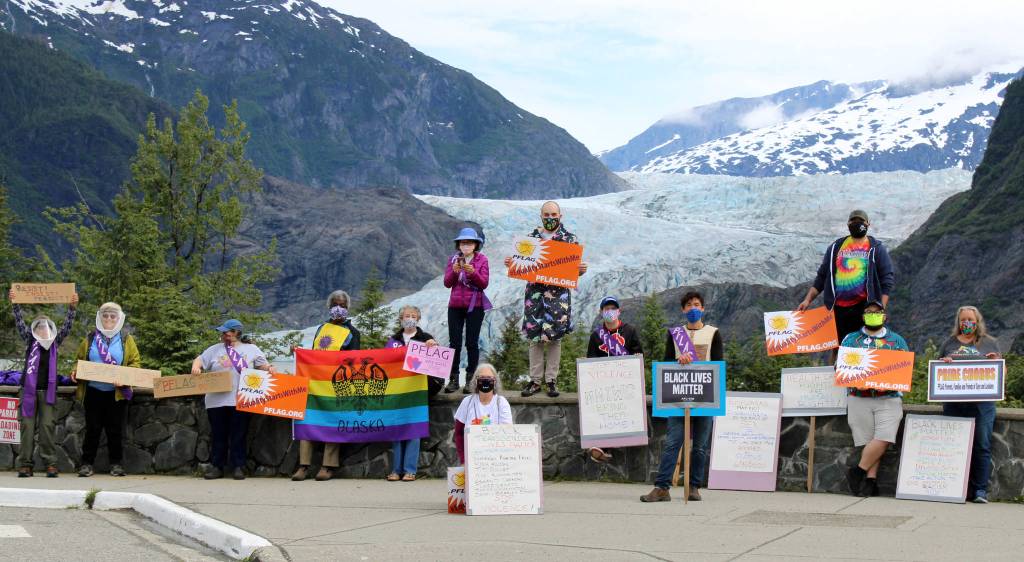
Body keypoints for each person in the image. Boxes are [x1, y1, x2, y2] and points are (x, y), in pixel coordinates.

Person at [642, 290, 724, 503]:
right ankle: (662, 487)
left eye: (696, 304)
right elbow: (666, 362)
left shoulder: (714, 333)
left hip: (705, 395)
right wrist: (678, 362)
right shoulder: (675, 334)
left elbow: (718, 364)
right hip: (677, 396)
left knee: (699, 446)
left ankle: (694, 487)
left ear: (703, 308)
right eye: (688, 305)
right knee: (672, 443)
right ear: (683, 309)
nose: (693, 308)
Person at [505, 201, 588, 398]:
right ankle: (534, 381)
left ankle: (551, 380)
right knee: (535, 338)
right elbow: (522, 265)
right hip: (534, 297)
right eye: (546, 214)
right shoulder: (530, 240)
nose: (550, 218)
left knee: (555, 339)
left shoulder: (569, 239)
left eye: (553, 214)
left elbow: (573, 271)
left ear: (560, 216)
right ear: (541, 216)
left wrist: (581, 271)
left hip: (557, 298)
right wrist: (512, 263)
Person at [797, 210, 895, 356]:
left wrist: (880, 307)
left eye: (861, 221)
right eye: (853, 221)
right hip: (837, 310)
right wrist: (807, 300)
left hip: (864, 309)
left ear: (868, 224)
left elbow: (886, 279)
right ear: (848, 224)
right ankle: (837, 376)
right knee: (838, 349)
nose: (857, 223)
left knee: (863, 349)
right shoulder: (836, 247)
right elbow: (822, 277)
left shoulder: (876, 248)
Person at [841, 301, 909, 497]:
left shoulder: (897, 341)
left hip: (888, 397)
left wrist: (888, 383)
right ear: (863, 316)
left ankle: (857, 471)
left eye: (877, 312)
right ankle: (870, 482)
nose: (873, 315)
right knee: (869, 440)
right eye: (869, 312)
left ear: (884, 316)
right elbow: (842, 368)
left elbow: (904, 370)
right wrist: (855, 382)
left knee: (884, 437)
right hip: (859, 397)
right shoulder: (851, 339)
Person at [292, 290, 361, 482]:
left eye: (343, 306)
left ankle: (327, 466)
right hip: (315, 384)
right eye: (335, 305)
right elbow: (314, 354)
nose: (339, 309)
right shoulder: (321, 328)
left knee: (333, 423)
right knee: (307, 421)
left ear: (347, 309)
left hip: (336, 385)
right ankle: (303, 465)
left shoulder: (352, 333)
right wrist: (300, 353)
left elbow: (354, 362)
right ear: (329, 307)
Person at [9, 289, 77, 477]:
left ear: (51, 329)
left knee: (47, 427)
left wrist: (72, 308)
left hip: (47, 392)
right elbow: (19, 322)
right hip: (28, 391)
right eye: (39, 327)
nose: (43, 329)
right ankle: (25, 464)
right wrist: (15, 304)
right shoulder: (29, 340)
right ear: (34, 329)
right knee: (27, 428)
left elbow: (67, 327)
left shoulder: (55, 342)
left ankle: (50, 464)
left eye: (46, 327)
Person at [191, 319, 270, 480]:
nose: (223, 334)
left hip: (241, 399)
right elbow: (200, 359)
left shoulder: (251, 349)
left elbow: (263, 366)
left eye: (226, 331)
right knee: (218, 434)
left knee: (239, 435)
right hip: (216, 400)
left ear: (236, 333)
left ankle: (238, 466)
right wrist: (196, 366)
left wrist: (271, 369)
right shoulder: (214, 349)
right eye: (223, 332)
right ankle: (217, 466)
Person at [939, 306, 1001, 503]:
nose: (967, 323)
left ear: (977, 321)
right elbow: (936, 370)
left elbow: (1001, 373)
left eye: (971, 320)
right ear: (958, 322)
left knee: (981, 446)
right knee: (954, 445)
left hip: (983, 404)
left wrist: (996, 362)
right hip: (954, 403)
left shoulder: (990, 343)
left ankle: (980, 491)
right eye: (964, 319)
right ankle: (958, 489)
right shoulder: (948, 343)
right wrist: (944, 364)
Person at [71, 302, 141, 477]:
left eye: (112, 316)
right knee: (92, 429)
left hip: (116, 393)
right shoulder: (90, 339)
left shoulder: (126, 340)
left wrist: (125, 378)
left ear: (119, 319)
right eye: (105, 315)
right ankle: (86, 464)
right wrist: (74, 371)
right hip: (93, 391)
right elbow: (78, 360)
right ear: (99, 317)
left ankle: (116, 464)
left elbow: (135, 363)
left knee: (115, 429)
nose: (108, 319)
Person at [584, 296, 642, 463]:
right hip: (603, 385)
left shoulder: (630, 331)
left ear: (619, 311)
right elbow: (591, 359)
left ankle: (610, 446)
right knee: (605, 412)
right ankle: (604, 447)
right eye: (606, 309)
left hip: (624, 382)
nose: (610, 312)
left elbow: (638, 353)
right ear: (601, 312)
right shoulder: (596, 335)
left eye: (612, 308)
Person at [387, 305, 439, 482]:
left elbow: (436, 362)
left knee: (413, 430)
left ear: (418, 319)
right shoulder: (393, 339)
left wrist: (433, 346)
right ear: (401, 319)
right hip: (398, 392)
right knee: (397, 430)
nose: (409, 318)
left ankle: (410, 470)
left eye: (413, 316)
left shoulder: (426, 338)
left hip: (417, 392)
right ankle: (396, 469)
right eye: (406, 315)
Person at [442, 227, 491, 394]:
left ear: (476, 245)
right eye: (463, 243)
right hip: (455, 306)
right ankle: (453, 379)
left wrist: (473, 273)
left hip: (474, 306)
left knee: (472, 343)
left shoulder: (482, 260)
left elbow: (483, 283)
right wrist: (455, 273)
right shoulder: (453, 260)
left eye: (469, 243)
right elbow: (447, 283)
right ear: (459, 245)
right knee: (454, 343)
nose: (466, 246)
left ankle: (471, 379)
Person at [453, 364, 513, 464]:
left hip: (497, 461)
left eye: (489, 378)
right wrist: (463, 459)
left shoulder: (501, 403)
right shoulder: (467, 402)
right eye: (482, 378)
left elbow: (507, 434)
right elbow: (459, 433)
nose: (485, 380)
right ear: (476, 381)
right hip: (472, 459)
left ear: (495, 381)